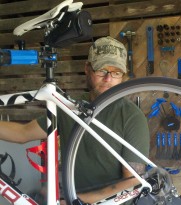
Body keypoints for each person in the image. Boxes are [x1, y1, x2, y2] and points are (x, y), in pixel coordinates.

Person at [0, 36, 150, 204]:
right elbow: (23, 133)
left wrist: (74, 201)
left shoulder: (131, 117)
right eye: (102, 70)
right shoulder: (70, 108)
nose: (108, 79)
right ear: (87, 68)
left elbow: (131, 184)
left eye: (116, 73)